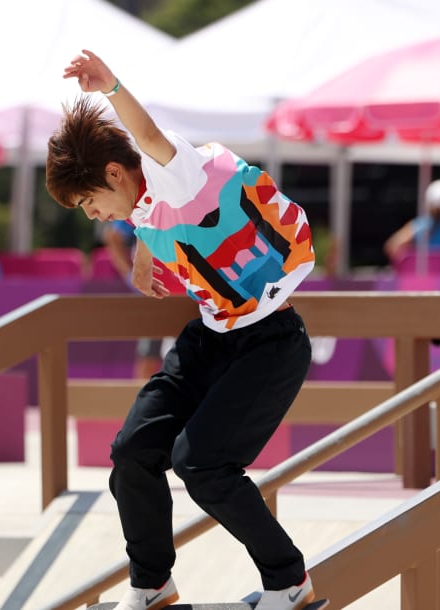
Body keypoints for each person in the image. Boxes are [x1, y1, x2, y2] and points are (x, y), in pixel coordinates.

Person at [46, 50, 317, 610]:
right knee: (133, 452)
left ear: (114, 174)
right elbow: (154, 212)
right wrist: (145, 256)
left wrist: (111, 86)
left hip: (270, 344)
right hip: (209, 340)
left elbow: (145, 138)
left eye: (90, 202)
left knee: (202, 463)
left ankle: (290, 581)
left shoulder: (178, 166)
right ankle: (152, 585)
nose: (93, 216)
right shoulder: (145, 206)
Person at [101, 218, 172, 379]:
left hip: (189, 291)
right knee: (148, 357)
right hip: (154, 296)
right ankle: (144, 401)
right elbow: (112, 236)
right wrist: (129, 274)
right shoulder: (140, 207)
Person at [383, 178, 440, 265]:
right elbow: (392, 246)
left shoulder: (419, 225)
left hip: (436, 277)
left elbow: (392, 246)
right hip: (439, 277)